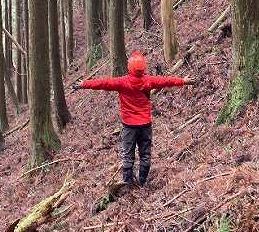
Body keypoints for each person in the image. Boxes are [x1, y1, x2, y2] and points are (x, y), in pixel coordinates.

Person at [73, 51, 194, 185]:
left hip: (129, 125)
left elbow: (103, 83)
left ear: (129, 67)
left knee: (127, 154)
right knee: (145, 154)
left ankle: (128, 183)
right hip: (145, 124)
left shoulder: (122, 82)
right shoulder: (149, 80)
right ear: (143, 68)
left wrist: (84, 83)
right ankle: (142, 182)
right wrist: (183, 81)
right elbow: (165, 80)